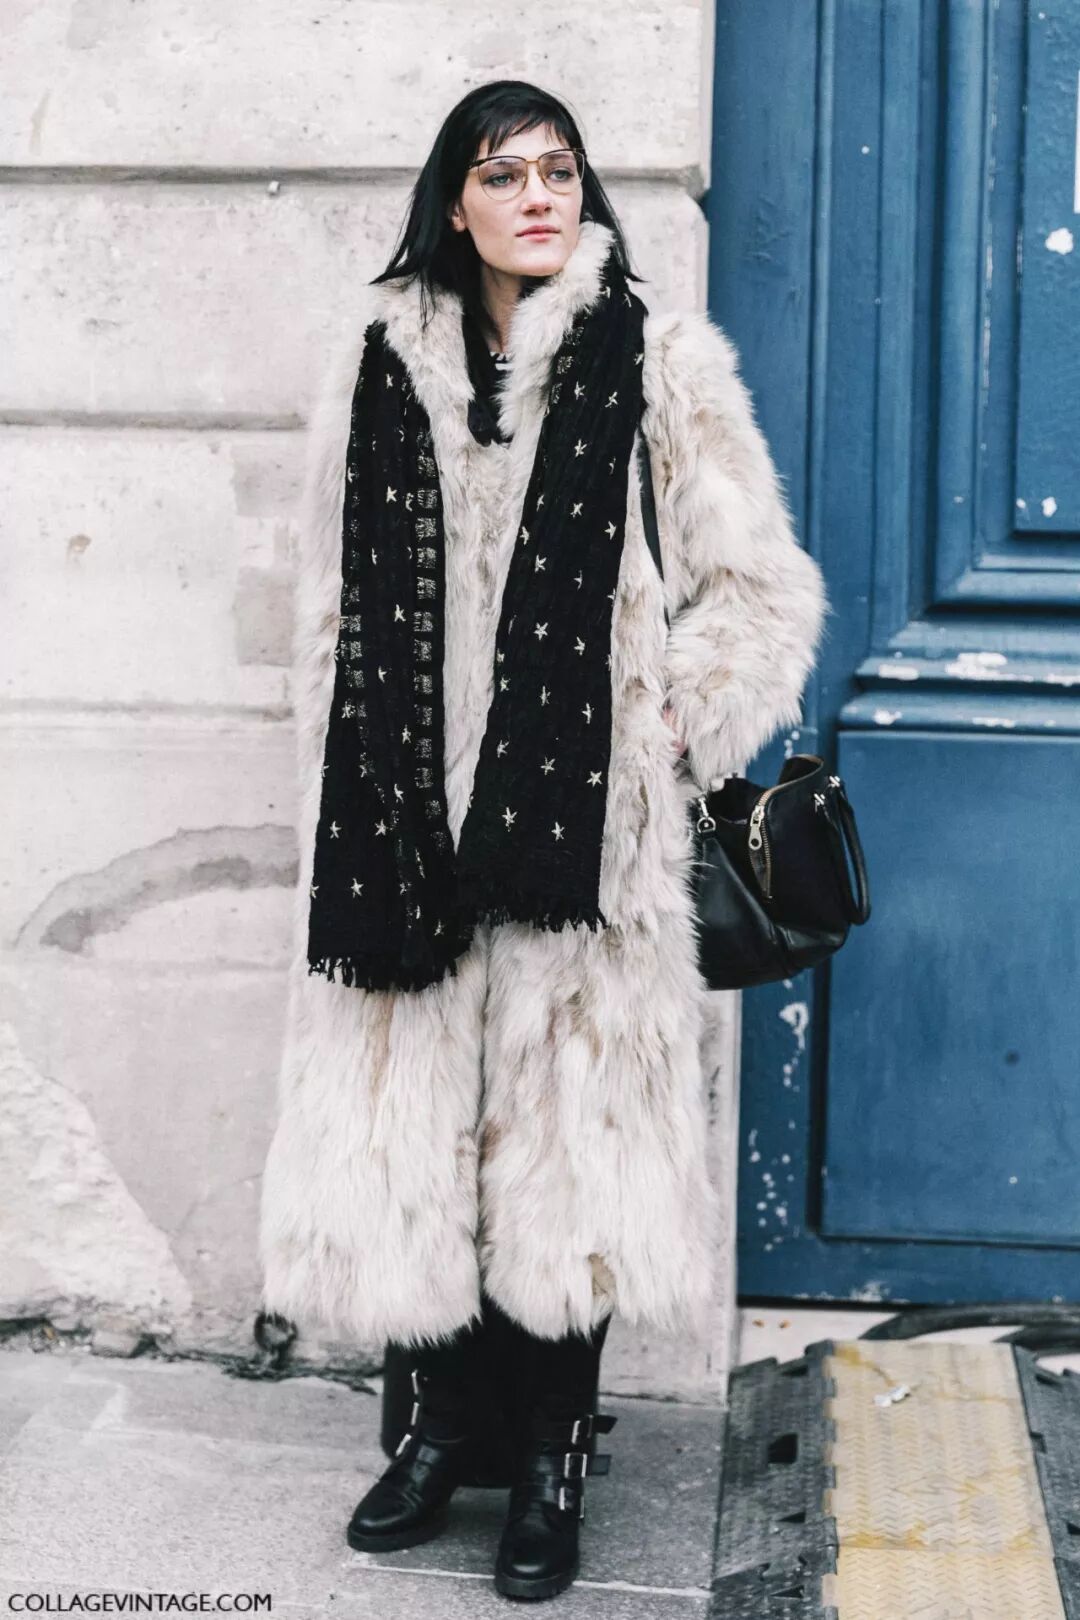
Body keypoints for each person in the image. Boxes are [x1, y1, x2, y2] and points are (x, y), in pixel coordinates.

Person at [257, 80, 828, 1602]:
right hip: (403, 824)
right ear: (454, 203)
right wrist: (348, 785)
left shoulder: (658, 361)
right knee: (430, 1137)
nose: (535, 198)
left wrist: (659, 734)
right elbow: (326, 607)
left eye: (557, 171)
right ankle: (442, 1432)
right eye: (502, 175)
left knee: (566, 1145)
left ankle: (556, 1459)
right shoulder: (378, 366)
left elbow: (763, 594)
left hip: (586, 843)